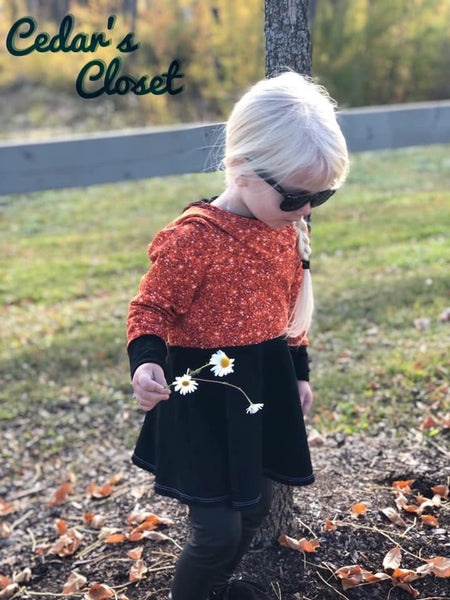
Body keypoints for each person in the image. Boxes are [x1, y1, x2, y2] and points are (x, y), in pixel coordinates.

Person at [126, 70, 349, 600]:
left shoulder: (284, 231)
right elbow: (150, 307)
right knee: (215, 533)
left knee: (253, 511)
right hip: (201, 401)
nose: (306, 210)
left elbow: (289, 310)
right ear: (243, 169)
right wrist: (146, 362)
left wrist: (299, 374)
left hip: (259, 394)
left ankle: (215, 590)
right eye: (296, 197)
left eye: (321, 197)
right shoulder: (196, 239)